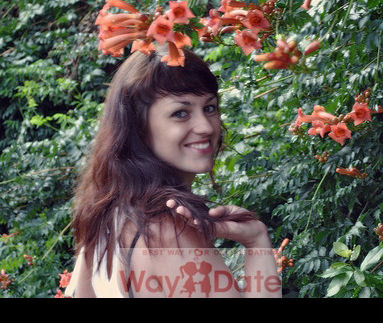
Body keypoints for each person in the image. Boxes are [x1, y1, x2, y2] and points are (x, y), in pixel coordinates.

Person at [65, 46, 281, 298]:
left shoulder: (108, 217)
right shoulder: (168, 232)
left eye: (209, 108)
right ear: (139, 127)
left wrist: (255, 237)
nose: (205, 127)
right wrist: (257, 243)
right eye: (180, 113)